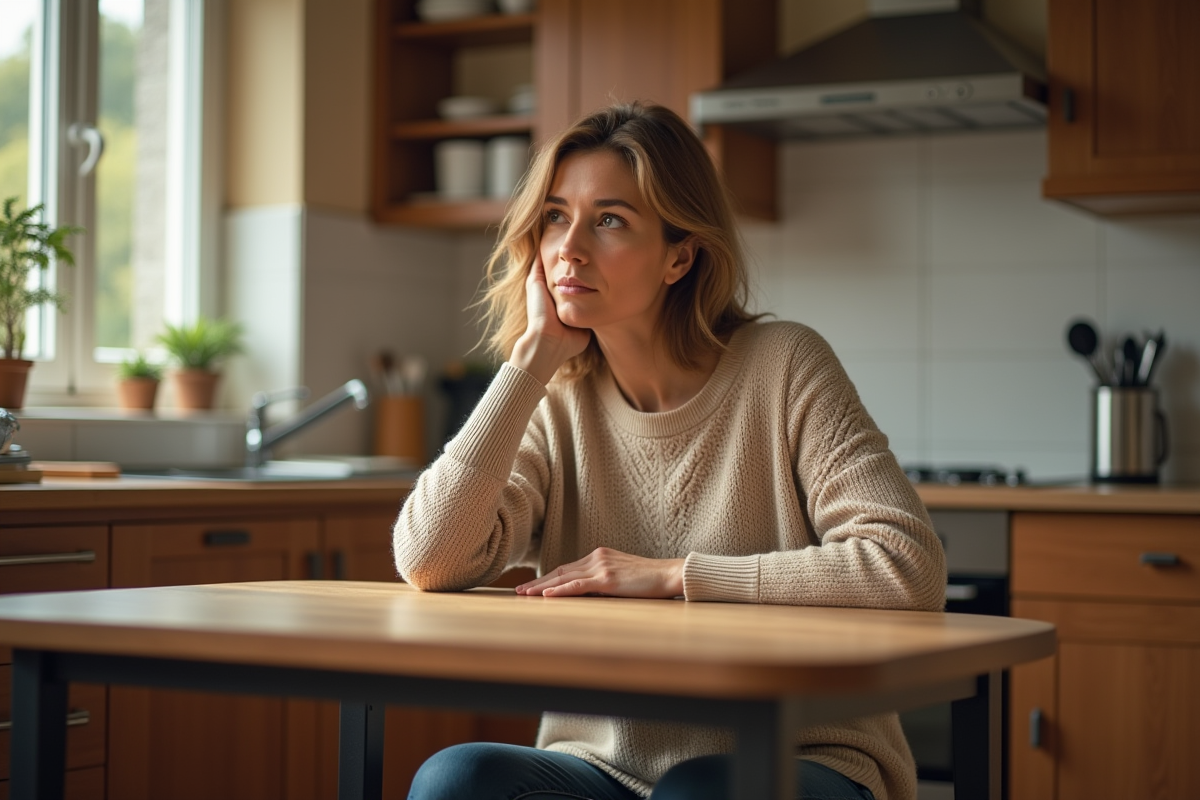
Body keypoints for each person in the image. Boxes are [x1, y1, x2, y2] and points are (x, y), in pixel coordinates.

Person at [394, 102, 946, 800]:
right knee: (456, 780)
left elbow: (907, 566)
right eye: (556, 216)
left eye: (610, 221)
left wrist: (674, 576)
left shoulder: (784, 364)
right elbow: (430, 559)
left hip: (800, 755)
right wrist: (529, 364)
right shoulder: (555, 397)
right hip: (602, 765)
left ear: (679, 257)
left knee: (699, 792)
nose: (569, 248)